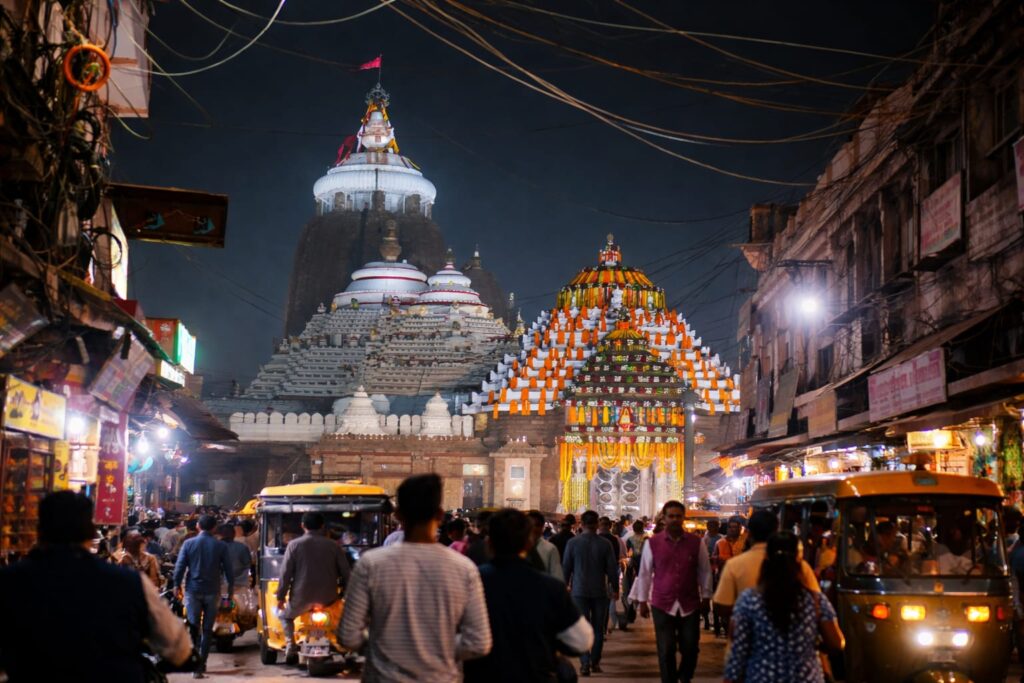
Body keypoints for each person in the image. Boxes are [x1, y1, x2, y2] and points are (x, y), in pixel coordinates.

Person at [0, 491, 192, 682]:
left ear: (39, 531)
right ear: (91, 533)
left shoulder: (9, 581)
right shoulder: (131, 583)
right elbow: (178, 648)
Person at [340, 474, 491, 680]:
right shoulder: (463, 568)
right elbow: (479, 642)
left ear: (398, 515)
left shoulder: (371, 564)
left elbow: (348, 635)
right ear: (439, 515)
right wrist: (438, 649)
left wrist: (384, 647)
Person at [464, 509, 593, 683]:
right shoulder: (550, 588)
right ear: (528, 543)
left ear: (489, 544)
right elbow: (581, 641)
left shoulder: (470, 584)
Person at [723, 532, 845, 683]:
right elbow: (836, 644)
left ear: (766, 559)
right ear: (799, 560)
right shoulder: (816, 600)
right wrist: (813, 643)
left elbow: (738, 652)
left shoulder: (749, 600)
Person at [629, 501, 712, 683]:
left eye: (678, 516)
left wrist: (706, 597)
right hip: (662, 603)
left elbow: (705, 571)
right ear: (664, 518)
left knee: (690, 647)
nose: (675, 519)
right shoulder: (653, 543)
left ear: (683, 518)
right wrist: (642, 601)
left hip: (689, 603)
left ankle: (685, 676)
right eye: (671, 516)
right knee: (666, 649)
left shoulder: (696, 543)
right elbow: (644, 573)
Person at [712, 510, 819, 626]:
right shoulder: (799, 565)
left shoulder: (734, 565)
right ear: (777, 532)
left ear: (749, 534)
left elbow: (721, 606)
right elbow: (815, 601)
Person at [276, 511, 351, 662]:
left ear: (302, 526)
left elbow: (285, 574)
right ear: (322, 526)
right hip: (328, 598)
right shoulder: (334, 546)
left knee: (284, 616)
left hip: (300, 599)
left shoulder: (294, 545)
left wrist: (280, 597)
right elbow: (346, 573)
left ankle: (290, 645)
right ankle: (343, 645)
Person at [173, 514, 233, 678]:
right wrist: (230, 591)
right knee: (207, 629)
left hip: (193, 591)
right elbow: (228, 571)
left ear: (198, 526)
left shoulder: (188, 543)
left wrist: (175, 585)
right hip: (213, 591)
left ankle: (194, 664)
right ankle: (201, 665)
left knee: (193, 628)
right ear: (214, 528)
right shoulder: (220, 546)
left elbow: (179, 567)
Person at [562, 509, 619, 676]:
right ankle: (595, 662)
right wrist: (615, 588)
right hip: (599, 592)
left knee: (581, 629)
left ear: (582, 524)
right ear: (597, 524)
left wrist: (564, 587)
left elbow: (566, 568)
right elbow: (612, 569)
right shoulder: (605, 544)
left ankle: (584, 663)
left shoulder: (572, 543)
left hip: (578, 591)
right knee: (597, 629)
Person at [527, 510, 564, 582]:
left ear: (542, 527)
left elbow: (557, 577)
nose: (534, 528)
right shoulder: (516, 548)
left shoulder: (550, 549)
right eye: (530, 525)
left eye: (537, 525)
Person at [702, 519, 723, 633]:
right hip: (706, 571)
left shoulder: (721, 539)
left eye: (714, 525)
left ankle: (716, 621)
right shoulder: (704, 539)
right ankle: (706, 620)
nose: (712, 528)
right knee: (706, 597)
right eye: (710, 525)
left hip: (718, 571)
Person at [218, 525, 252, 589]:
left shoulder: (214, 548)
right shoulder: (242, 547)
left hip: (220, 585)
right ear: (234, 534)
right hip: (240, 584)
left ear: (220, 535)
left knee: (225, 598)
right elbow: (248, 565)